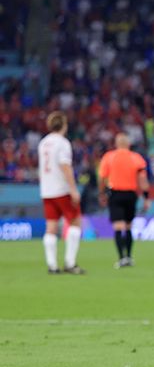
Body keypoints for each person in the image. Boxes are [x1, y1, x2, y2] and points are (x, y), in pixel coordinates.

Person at [38, 111, 83, 275]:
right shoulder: (62, 143)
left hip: (47, 190)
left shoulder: (43, 143)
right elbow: (65, 167)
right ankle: (70, 263)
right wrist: (73, 189)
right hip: (62, 189)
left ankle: (52, 265)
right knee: (76, 222)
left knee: (51, 227)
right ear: (64, 125)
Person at [98, 133, 150, 268]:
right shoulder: (136, 158)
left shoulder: (109, 157)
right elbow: (142, 179)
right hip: (131, 195)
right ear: (128, 144)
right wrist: (146, 197)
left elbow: (102, 177)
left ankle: (121, 258)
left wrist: (102, 194)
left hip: (115, 194)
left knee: (118, 227)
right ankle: (128, 257)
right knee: (128, 226)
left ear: (116, 144)